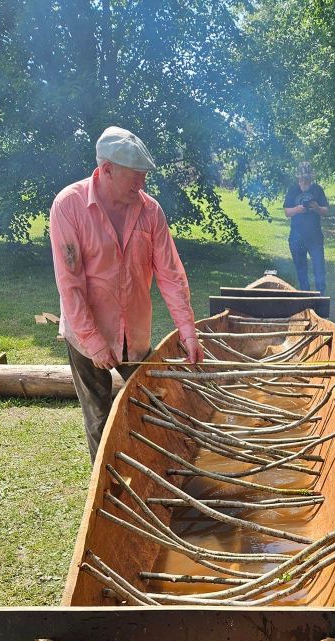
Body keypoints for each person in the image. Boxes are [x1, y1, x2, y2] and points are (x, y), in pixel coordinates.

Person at [49, 126, 204, 462]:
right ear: (107, 170)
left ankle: (155, 473)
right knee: (99, 418)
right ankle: (106, 483)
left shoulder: (151, 211)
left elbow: (171, 275)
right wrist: (94, 342)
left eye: (144, 176)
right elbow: (70, 284)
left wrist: (188, 332)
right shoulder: (69, 205)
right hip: (86, 335)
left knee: (154, 404)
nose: (142, 184)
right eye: (135, 176)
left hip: (134, 334)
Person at [283, 162, 329, 295]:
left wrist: (317, 207)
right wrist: (297, 209)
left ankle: (321, 297)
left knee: (319, 269)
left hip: (315, 236)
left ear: (311, 177)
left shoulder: (317, 190)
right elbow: (287, 212)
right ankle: (305, 296)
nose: (304, 181)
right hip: (296, 237)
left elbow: (325, 211)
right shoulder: (293, 189)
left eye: (307, 178)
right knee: (301, 271)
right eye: (302, 178)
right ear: (298, 177)